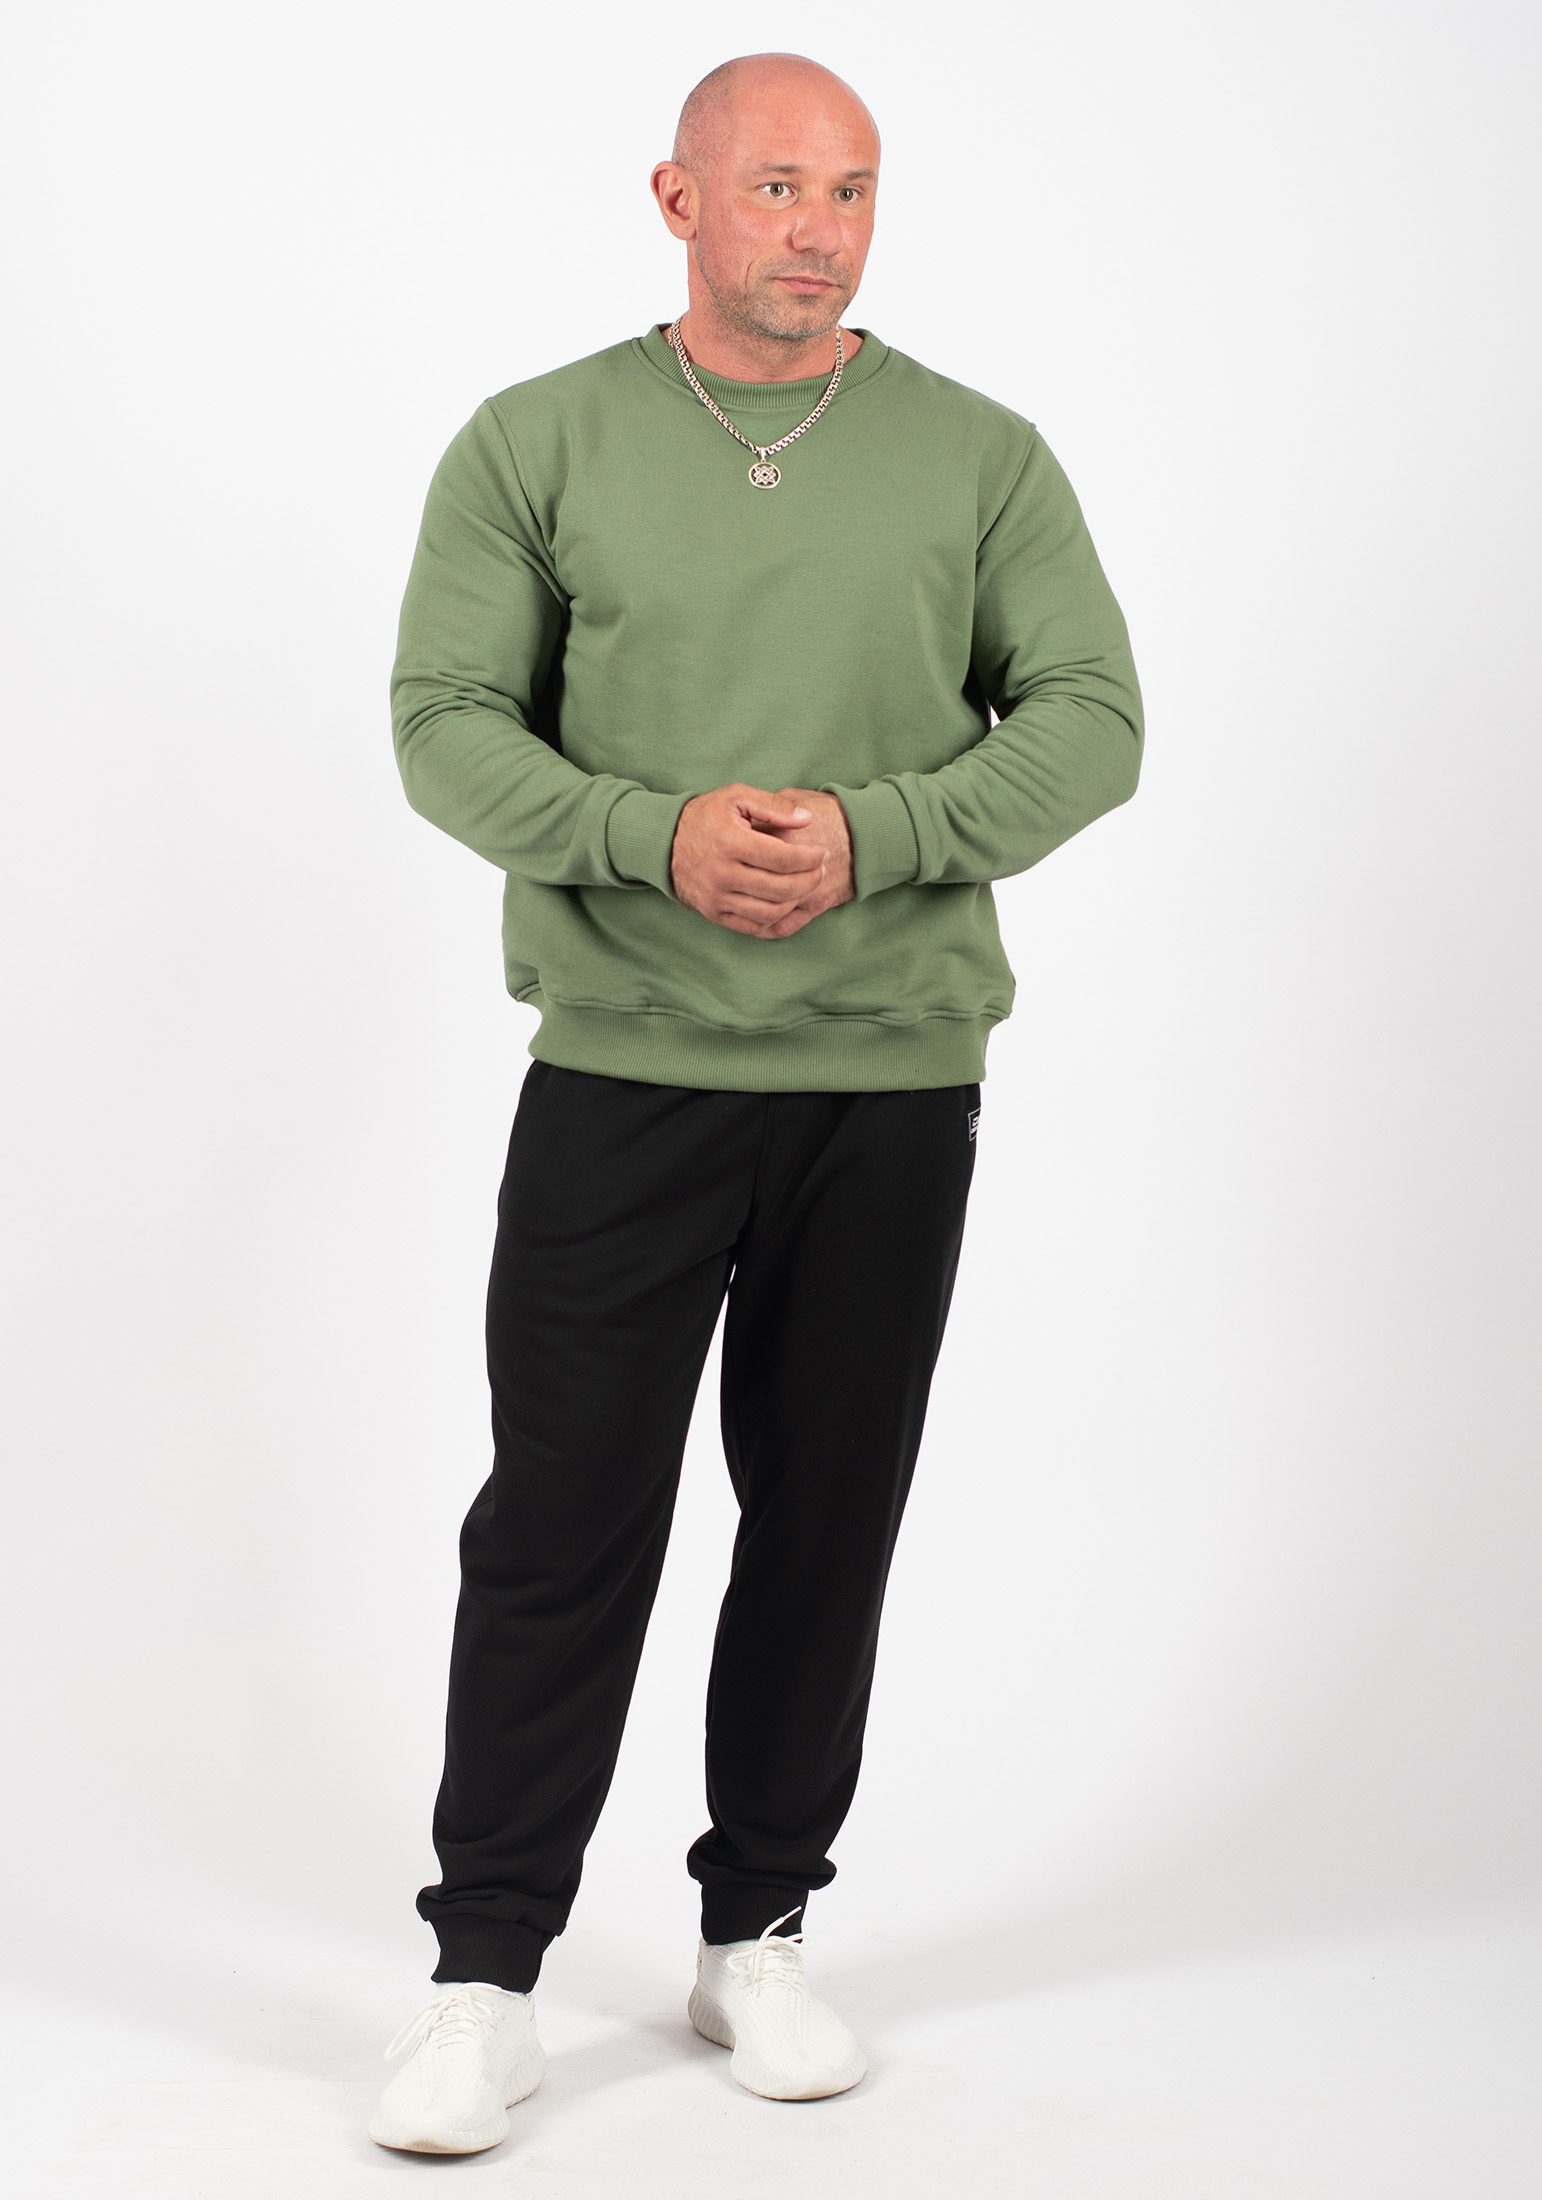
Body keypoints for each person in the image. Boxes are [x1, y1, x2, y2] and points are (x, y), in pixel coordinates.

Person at [369, 50, 1143, 2155]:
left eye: (853, 190)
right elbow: (444, 720)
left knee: (826, 1516)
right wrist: (652, 833)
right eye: (779, 185)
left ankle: (759, 1930)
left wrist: (880, 833)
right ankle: (484, 1974)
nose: (820, 227)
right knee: (561, 1520)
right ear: (678, 198)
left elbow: (1093, 715)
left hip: (888, 1078)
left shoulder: (979, 455)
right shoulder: (538, 439)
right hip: (624, 1067)